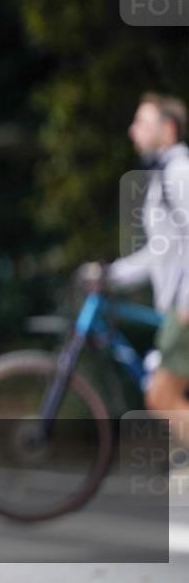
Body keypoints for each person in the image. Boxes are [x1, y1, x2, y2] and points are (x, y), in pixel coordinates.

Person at [106, 93, 189, 434]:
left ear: (168, 128)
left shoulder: (179, 173)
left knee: (163, 397)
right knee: (163, 397)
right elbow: (163, 249)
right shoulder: (164, 175)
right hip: (178, 305)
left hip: (186, 307)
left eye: (142, 121)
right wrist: (111, 274)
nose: (132, 130)